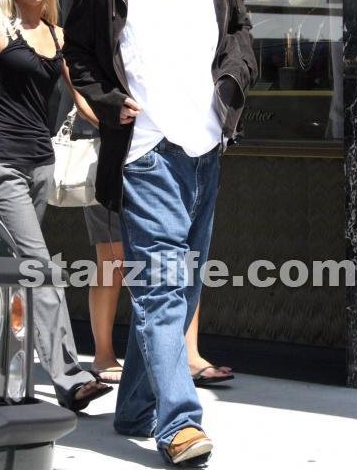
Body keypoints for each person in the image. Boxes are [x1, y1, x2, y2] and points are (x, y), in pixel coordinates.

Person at [64, 0, 257, 465]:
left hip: (205, 147)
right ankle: (179, 423)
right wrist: (107, 102)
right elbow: (79, 53)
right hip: (147, 152)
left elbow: (240, 34)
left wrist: (232, 82)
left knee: (183, 285)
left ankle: (133, 408)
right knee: (161, 290)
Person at [0, 0, 112, 412]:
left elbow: (81, 98)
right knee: (38, 267)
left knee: (15, 270)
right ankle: (70, 377)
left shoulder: (57, 35)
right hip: (1, 162)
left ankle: (2, 368)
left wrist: (121, 123)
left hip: (42, 164)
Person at [70, 109, 234, 387]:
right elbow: (83, 91)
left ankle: (189, 354)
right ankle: (103, 354)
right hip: (113, 149)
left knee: (183, 257)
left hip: (172, 150)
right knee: (114, 259)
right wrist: (112, 119)